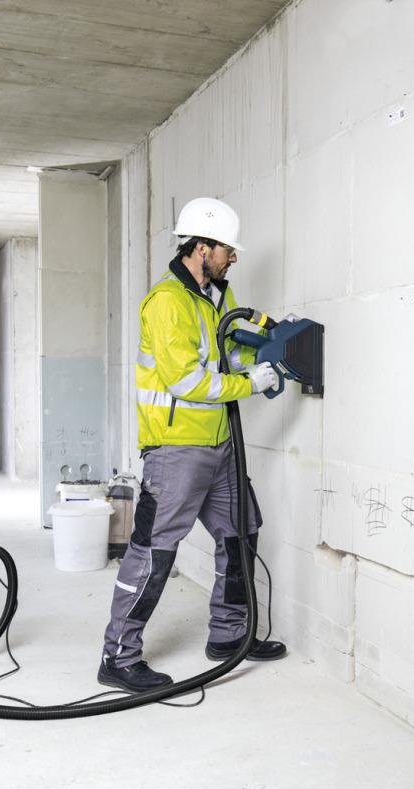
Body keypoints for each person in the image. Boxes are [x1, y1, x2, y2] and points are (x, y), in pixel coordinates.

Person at [98, 197, 286, 693]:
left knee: (242, 532)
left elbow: (226, 350)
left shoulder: (216, 297)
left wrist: (270, 346)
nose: (233, 257)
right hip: (177, 450)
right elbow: (186, 380)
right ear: (201, 248)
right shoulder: (167, 302)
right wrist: (251, 384)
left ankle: (228, 636)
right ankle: (118, 657)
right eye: (226, 249)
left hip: (220, 446)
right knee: (154, 550)